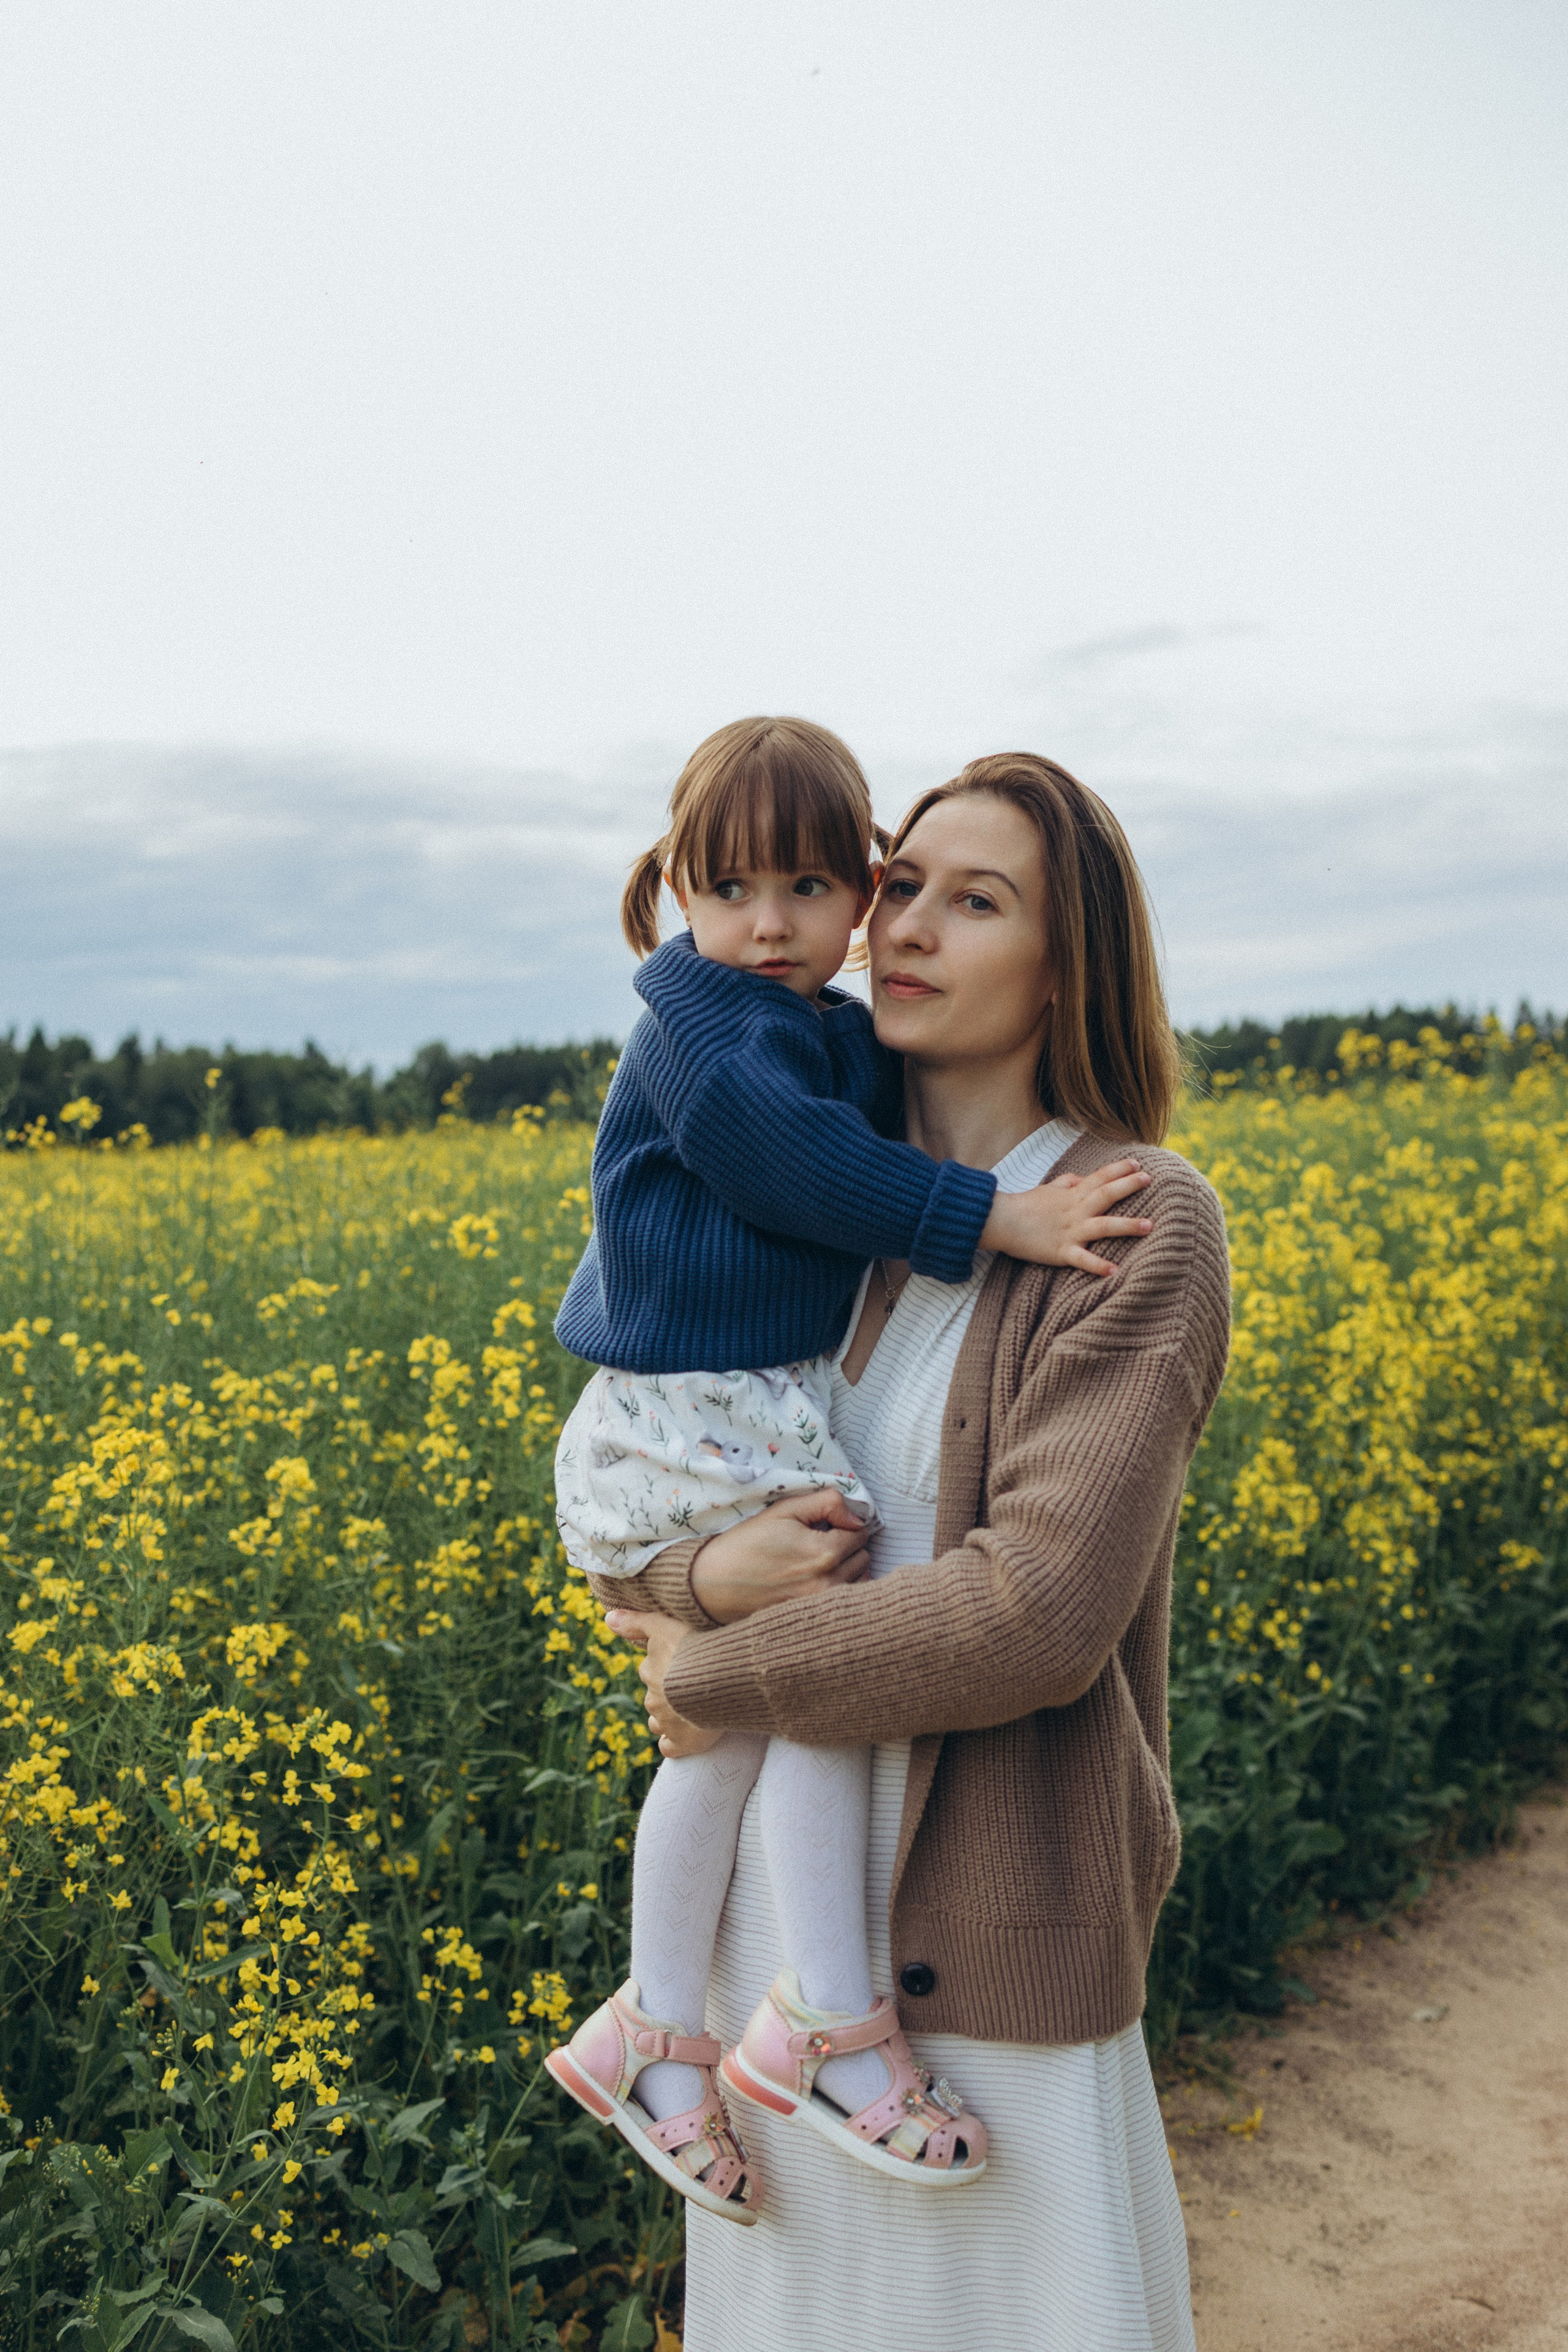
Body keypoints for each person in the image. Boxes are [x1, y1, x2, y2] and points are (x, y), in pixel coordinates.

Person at [599, 755, 1231, 2352]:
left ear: (1066, 962)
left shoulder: (1128, 1217)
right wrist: (682, 1597)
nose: (907, 927)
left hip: (988, 1950)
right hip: (787, 1986)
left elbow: (1038, 1612)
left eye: (979, 898)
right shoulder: (821, 1230)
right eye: (900, 886)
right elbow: (682, 1511)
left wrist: (716, 1666)